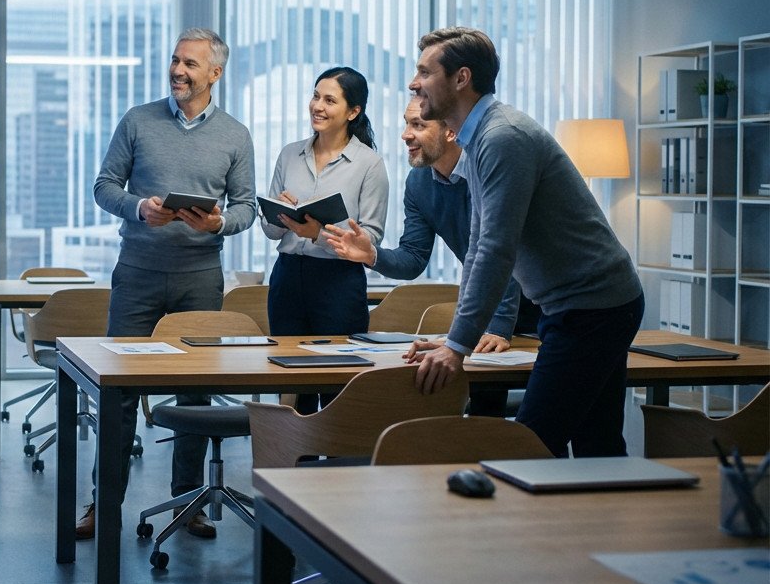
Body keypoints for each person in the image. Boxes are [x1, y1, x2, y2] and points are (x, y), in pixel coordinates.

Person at [402, 26, 643, 458]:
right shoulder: (481, 138)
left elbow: (497, 249)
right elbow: (478, 245)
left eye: (424, 72)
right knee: (598, 448)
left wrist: (457, 347)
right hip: (585, 306)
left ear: (461, 78)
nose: (413, 83)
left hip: (592, 308)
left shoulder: (503, 137)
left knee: (527, 449)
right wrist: (457, 338)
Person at [77, 27, 257, 541]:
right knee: (117, 393)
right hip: (137, 273)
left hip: (200, 277)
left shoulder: (235, 135)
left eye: (190, 64)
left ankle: (189, 502)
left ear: (215, 73)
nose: (178, 70)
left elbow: (246, 207)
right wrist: (139, 208)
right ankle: (103, 504)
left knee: (195, 394)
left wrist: (219, 223)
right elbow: (103, 186)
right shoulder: (138, 120)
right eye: (176, 60)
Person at [323, 96, 524, 416]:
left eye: (418, 124)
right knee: (484, 408)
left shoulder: (487, 168)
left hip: (543, 301)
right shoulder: (418, 182)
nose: (405, 134)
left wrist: (498, 325)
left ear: (451, 132)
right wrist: (372, 255)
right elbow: (414, 258)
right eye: (406, 123)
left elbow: (502, 251)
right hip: (491, 298)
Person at [261, 66, 388, 413]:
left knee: (337, 386)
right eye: (316, 96)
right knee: (290, 383)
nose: (317, 106)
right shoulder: (289, 154)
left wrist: (317, 234)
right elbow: (270, 231)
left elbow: (371, 238)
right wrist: (280, 215)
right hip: (287, 277)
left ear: (353, 111)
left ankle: (335, 450)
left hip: (338, 283)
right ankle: (292, 449)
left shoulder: (369, 164)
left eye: (330, 100)